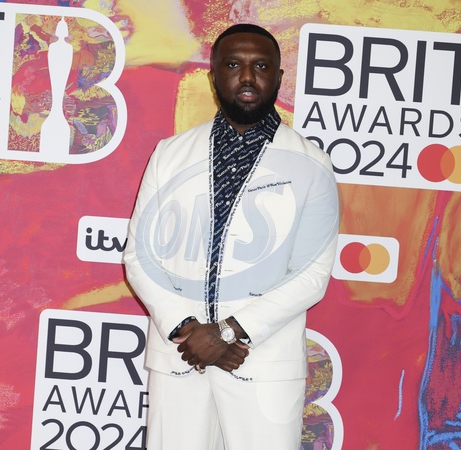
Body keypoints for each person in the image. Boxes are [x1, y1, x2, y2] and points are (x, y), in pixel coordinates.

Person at [124, 23, 339, 450]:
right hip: (180, 355)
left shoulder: (312, 164)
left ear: (279, 77)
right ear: (213, 76)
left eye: (261, 66)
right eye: (233, 65)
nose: (247, 77)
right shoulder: (170, 154)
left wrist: (226, 334)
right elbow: (139, 257)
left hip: (262, 361)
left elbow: (311, 275)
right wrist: (188, 330)